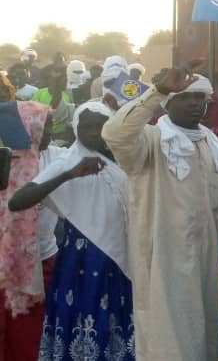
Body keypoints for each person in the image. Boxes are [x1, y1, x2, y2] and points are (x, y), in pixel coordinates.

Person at [101, 67, 218, 360]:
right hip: (162, 267)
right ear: (169, 102)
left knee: (203, 340)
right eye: (186, 97)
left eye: (201, 97)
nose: (196, 103)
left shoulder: (212, 144)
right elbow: (114, 133)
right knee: (168, 344)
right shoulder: (151, 141)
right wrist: (157, 91)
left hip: (205, 264)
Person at [9, 102, 135, 361]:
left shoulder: (123, 161)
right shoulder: (67, 161)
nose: (95, 132)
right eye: (87, 126)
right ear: (76, 129)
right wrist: (68, 175)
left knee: (119, 320)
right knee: (83, 317)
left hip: (122, 257)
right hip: (82, 259)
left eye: (102, 126)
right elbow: (17, 201)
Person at [0, 85, 54, 360]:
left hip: (41, 262)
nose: (51, 133)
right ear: (28, 129)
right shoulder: (6, 161)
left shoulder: (56, 158)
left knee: (29, 334)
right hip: (5, 268)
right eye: (46, 126)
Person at [32, 64, 75, 147]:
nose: (62, 81)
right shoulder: (39, 93)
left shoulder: (68, 94)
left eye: (64, 79)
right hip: (43, 133)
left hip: (63, 134)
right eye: (57, 79)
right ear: (50, 79)